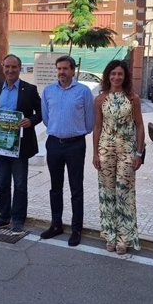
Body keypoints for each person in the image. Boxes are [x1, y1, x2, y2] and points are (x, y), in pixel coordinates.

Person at [40, 55, 94, 247]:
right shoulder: (48, 91)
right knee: (55, 187)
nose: (62, 72)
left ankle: (76, 229)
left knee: (76, 188)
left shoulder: (84, 91)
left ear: (73, 70)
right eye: (59, 69)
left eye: (65, 69)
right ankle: (56, 224)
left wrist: (75, 133)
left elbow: (90, 121)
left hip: (75, 145)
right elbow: (46, 118)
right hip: (54, 143)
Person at [92, 60, 145, 255]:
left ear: (125, 77)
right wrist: (95, 153)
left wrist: (139, 153)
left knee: (124, 191)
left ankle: (124, 237)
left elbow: (139, 126)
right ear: (108, 76)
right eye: (113, 73)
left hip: (127, 150)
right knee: (107, 193)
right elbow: (97, 127)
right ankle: (110, 234)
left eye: (120, 74)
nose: (116, 77)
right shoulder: (100, 99)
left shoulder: (133, 98)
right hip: (105, 150)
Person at [0, 54, 42, 234]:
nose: (10, 70)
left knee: (19, 184)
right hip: (0, 144)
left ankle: (18, 219)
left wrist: (30, 121)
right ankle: (3, 216)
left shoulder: (30, 89)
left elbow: (41, 112)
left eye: (14, 67)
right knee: (2, 183)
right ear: (2, 67)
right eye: (7, 67)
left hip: (20, 146)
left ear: (20, 68)